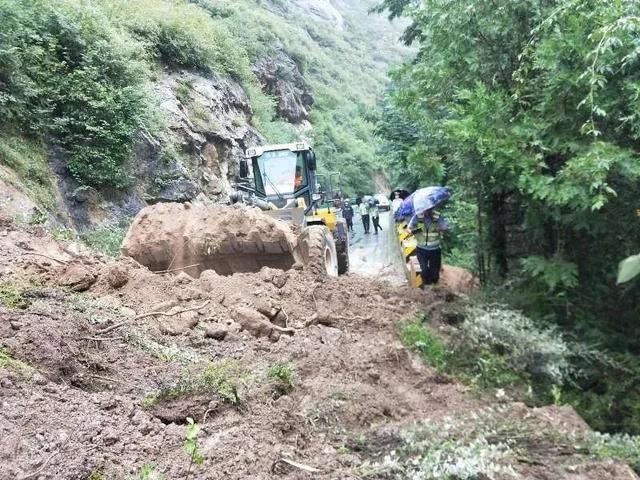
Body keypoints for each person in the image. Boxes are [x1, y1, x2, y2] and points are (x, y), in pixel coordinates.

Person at [407, 207, 449, 285]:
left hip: (435, 250)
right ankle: (426, 289)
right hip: (421, 250)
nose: (428, 211)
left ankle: (434, 289)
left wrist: (440, 229)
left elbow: (445, 228)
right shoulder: (417, 216)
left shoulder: (438, 216)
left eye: (430, 209)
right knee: (424, 271)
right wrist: (413, 231)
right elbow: (409, 228)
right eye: (426, 209)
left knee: (435, 275)